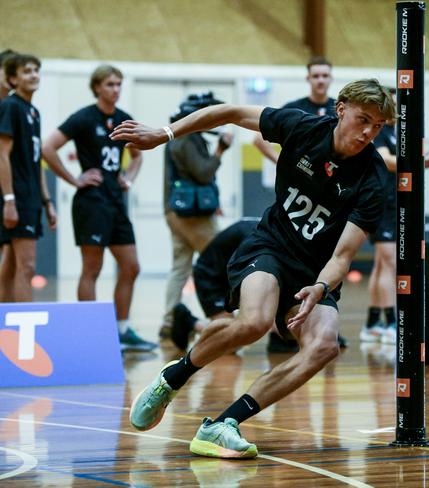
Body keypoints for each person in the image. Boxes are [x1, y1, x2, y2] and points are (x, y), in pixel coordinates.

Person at [111, 78, 394, 459]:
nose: (368, 132)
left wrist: (321, 288)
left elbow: (343, 256)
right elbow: (229, 112)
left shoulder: (373, 178)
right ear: (340, 108)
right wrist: (164, 133)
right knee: (255, 321)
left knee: (324, 345)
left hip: (314, 272)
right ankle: (171, 379)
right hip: (271, 247)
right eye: (363, 119)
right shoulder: (302, 126)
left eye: (377, 126)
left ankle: (222, 425)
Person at [41, 64, 155, 352]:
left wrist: (127, 179)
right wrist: (73, 179)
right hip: (91, 203)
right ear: (97, 88)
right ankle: (88, 332)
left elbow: (137, 156)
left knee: (131, 266)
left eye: (118, 84)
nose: (115, 89)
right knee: (92, 267)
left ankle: (122, 331)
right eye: (109, 84)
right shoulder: (83, 118)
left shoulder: (124, 119)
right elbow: (48, 148)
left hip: (116, 201)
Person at [253, 55, 337, 352]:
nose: (321, 80)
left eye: (325, 76)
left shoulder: (339, 109)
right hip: (296, 195)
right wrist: (283, 161)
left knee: (323, 256)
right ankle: (279, 329)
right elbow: (258, 140)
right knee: (284, 256)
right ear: (308, 78)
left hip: (327, 197)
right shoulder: (295, 109)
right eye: (316, 76)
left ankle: (322, 322)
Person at [360, 87, 429, 344]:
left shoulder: (395, 132)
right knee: (389, 263)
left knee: (381, 264)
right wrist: (415, 161)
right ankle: (391, 322)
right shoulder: (378, 131)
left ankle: (372, 323)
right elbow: (385, 161)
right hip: (383, 203)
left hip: (393, 204)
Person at [159, 92, 232, 340]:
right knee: (220, 262)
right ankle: (221, 318)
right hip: (192, 215)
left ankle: (170, 321)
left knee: (180, 267)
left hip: (176, 211)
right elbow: (203, 172)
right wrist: (221, 150)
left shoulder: (178, 136)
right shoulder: (188, 139)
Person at [0, 53, 56, 302]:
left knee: (11, 266)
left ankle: (4, 329)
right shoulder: (10, 107)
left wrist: (47, 202)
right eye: (26, 71)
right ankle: (21, 334)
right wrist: (9, 200)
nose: (33, 75)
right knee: (27, 267)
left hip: (31, 198)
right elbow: (2, 155)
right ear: (13, 79)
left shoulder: (33, 112)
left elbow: (36, 163)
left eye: (36, 70)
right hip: (17, 198)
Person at [171, 218, 259, 350]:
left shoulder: (263, 230)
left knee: (238, 335)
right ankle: (189, 321)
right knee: (232, 343)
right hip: (210, 278)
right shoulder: (255, 237)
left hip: (226, 275)